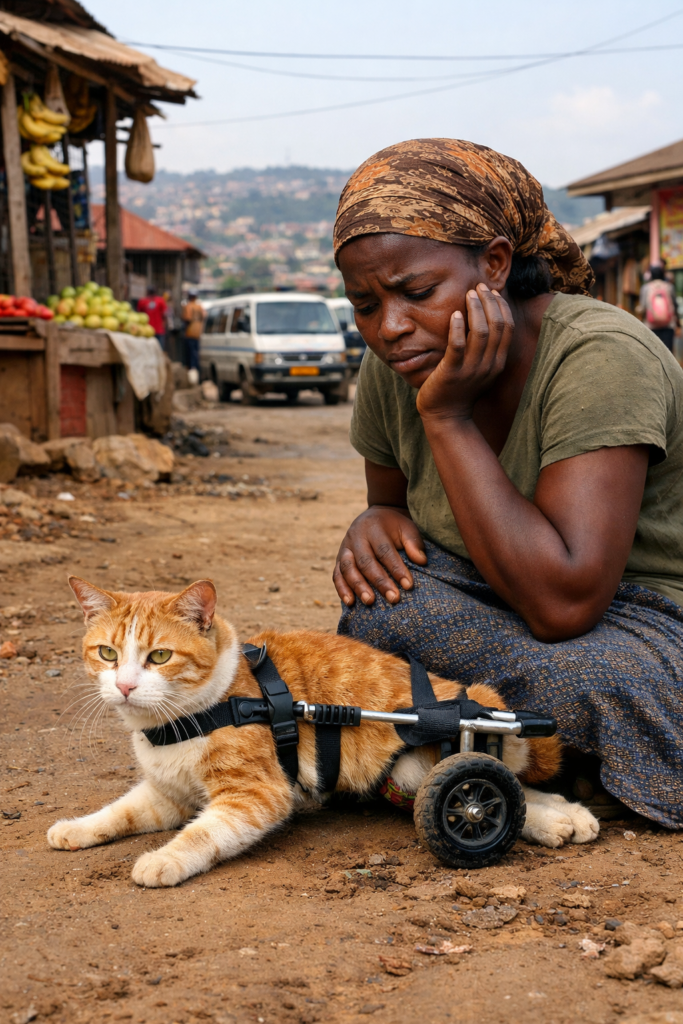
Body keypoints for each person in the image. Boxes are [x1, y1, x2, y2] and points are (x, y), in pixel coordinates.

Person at [332, 138, 683, 828]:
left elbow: (563, 605)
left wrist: (446, 416)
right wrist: (373, 522)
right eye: (364, 304)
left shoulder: (600, 356)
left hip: (634, 618)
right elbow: (391, 507)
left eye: (416, 293)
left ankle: (473, 736)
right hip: (487, 598)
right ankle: (537, 749)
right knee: (380, 611)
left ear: (494, 264)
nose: (390, 327)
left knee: (590, 678)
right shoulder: (396, 362)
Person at [639, 264, 679, 351]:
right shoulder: (669, 287)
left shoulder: (646, 288)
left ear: (651, 275)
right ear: (663, 274)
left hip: (651, 326)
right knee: (668, 353)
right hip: (668, 326)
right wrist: (678, 322)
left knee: (653, 353)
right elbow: (675, 305)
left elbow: (642, 307)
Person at [181, 290, 204, 382]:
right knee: (196, 354)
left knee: (190, 355)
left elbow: (187, 318)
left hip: (190, 333)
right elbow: (203, 317)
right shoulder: (199, 306)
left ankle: (192, 378)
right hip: (197, 333)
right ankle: (197, 376)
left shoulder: (189, 306)